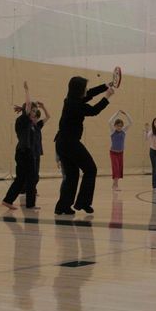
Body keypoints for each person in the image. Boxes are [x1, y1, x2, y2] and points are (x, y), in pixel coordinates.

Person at [54, 77, 114, 215]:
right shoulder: (75, 105)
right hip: (70, 143)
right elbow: (94, 111)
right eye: (84, 87)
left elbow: (90, 93)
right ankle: (83, 202)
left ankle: (62, 206)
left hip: (62, 143)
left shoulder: (70, 100)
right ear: (79, 90)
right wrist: (107, 97)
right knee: (90, 169)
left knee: (72, 175)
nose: (87, 89)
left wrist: (105, 86)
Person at [3, 81, 49, 210]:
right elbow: (28, 105)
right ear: (28, 111)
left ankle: (8, 200)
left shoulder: (30, 123)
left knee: (22, 178)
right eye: (33, 110)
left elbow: (30, 108)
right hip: (24, 152)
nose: (35, 112)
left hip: (24, 152)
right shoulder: (23, 119)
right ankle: (30, 204)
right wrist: (27, 90)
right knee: (31, 177)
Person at [108, 110, 133, 191]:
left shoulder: (124, 131)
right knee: (116, 168)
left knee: (119, 168)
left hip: (121, 153)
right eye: (118, 126)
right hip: (113, 153)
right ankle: (116, 185)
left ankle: (114, 184)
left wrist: (126, 114)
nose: (119, 127)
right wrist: (116, 114)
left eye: (121, 126)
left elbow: (131, 122)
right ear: (115, 126)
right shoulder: (112, 131)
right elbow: (109, 122)